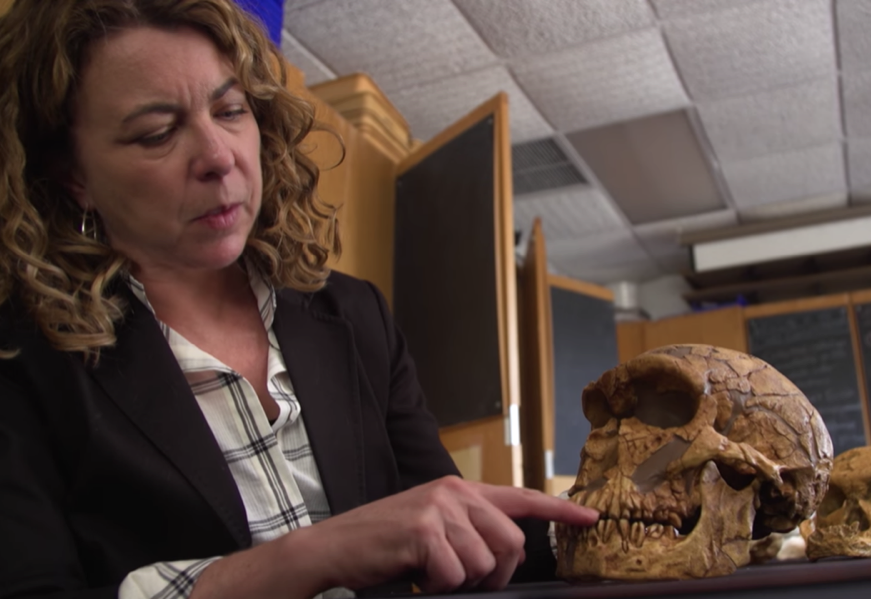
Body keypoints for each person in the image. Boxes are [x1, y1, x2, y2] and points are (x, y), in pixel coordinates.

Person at [0, 1, 598, 598]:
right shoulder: (23, 362)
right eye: (157, 133)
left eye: (231, 110)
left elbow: (464, 540)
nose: (219, 156)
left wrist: (615, 518)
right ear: (72, 175)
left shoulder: (356, 315)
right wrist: (316, 554)